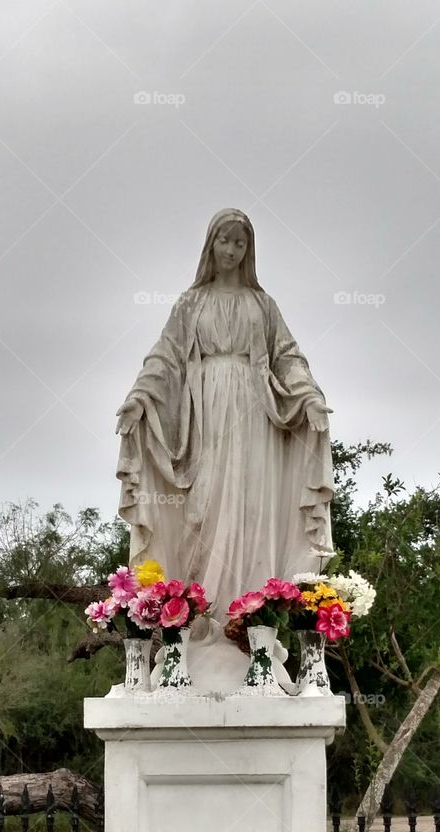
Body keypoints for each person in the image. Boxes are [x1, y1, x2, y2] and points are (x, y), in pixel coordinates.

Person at [115, 207, 335, 691]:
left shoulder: (263, 305)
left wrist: (311, 397)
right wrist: (139, 398)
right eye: (224, 241)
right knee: (203, 512)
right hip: (204, 420)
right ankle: (198, 627)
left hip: (256, 420)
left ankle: (250, 630)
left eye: (240, 243)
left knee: (251, 514)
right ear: (211, 245)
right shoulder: (191, 303)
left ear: (248, 249)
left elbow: (288, 358)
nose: (232, 250)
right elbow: (166, 356)